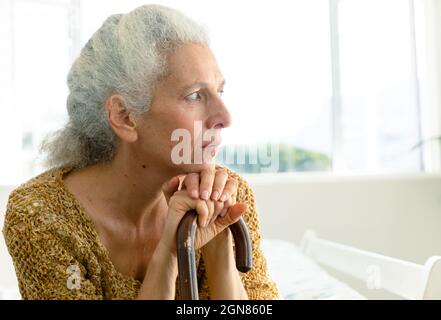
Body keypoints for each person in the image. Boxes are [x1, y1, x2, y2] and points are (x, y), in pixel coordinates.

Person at [2, 4, 279, 300]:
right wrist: (170, 253)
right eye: (195, 96)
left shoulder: (227, 196)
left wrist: (220, 252)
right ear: (124, 116)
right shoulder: (43, 215)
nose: (225, 116)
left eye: (219, 92)